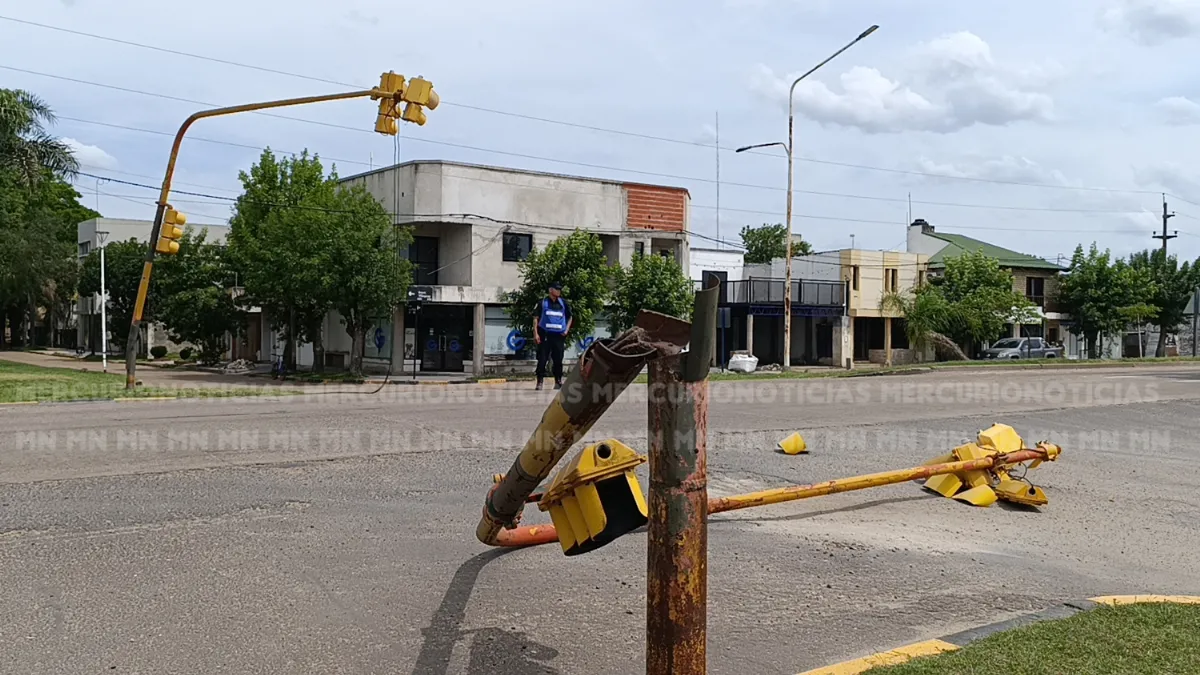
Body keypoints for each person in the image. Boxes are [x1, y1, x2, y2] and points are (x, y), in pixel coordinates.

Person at [533, 282, 572, 390]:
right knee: (542, 359)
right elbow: (535, 319)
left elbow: (570, 317)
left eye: (559, 289)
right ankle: (540, 381)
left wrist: (566, 330)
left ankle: (558, 381)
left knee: (558, 360)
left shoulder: (563, 303)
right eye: (556, 289)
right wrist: (536, 334)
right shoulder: (542, 303)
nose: (559, 291)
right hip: (545, 335)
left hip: (559, 336)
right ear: (550, 290)